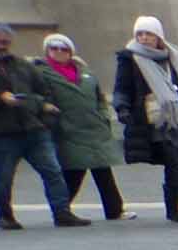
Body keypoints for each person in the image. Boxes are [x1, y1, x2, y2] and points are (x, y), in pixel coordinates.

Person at [0, 20, 89, 229]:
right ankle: (4, 216)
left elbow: (43, 92)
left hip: (34, 128)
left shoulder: (22, 64)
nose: (0, 45)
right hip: (1, 131)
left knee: (53, 171)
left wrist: (45, 115)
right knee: (4, 176)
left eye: (5, 41)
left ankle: (62, 213)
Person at [112, 16, 178, 225]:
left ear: (158, 36)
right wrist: (122, 108)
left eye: (148, 34)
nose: (143, 38)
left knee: (174, 166)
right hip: (155, 123)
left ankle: (172, 210)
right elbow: (122, 88)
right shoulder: (130, 59)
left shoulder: (176, 57)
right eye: (139, 34)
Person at [36, 34, 133, 220]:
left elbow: (100, 98)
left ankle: (114, 210)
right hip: (67, 128)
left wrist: (103, 116)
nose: (58, 52)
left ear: (70, 52)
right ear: (47, 51)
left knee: (103, 170)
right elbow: (36, 97)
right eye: (53, 48)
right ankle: (62, 210)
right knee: (73, 171)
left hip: (94, 127)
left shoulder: (85, 72)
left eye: (63, 48)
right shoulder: (41, 73)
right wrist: (47, 110)